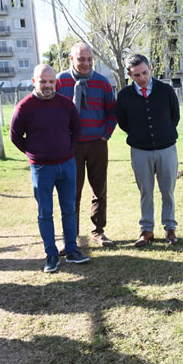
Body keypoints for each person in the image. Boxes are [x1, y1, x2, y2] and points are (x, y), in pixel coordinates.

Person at [10, 64, 90, 273]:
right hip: (41, 169)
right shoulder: (24, 107)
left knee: (69, 209)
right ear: (34, 81)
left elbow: (76, 129)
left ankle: (72, 250)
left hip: (67, 166)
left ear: (56, 82)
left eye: (51, 81)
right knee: (45, 212)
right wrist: (34, 153)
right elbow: (15, 136)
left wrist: (66, 151)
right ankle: (51, 255)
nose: (47, 85)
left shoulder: (66, 105)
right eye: (42, 81)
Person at [55, 42, 118, 249]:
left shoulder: (103, 82)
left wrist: (105, 135)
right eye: (81, 59)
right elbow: (50, 112)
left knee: (99, 189)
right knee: (71, 191)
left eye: (90, 59)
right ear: (71, 59)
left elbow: (112, 111)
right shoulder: (60, 81)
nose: (86, 63)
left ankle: (98, 231)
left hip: (97, 144)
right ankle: (70, 236)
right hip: (70, 147)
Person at [115, 54, 180, 247]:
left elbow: (174, 117)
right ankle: (147, 230)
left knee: (167, 190)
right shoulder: (124, 95)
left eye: (145, 72)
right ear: (129, 74)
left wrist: (163, 134)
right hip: (140, 151)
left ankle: (169, 228)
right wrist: (139, 136)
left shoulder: (166, 90)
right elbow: (123, 122)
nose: (142, 78)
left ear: (150, 68)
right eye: (136, 75)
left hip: (166, 148)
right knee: (146, 191)